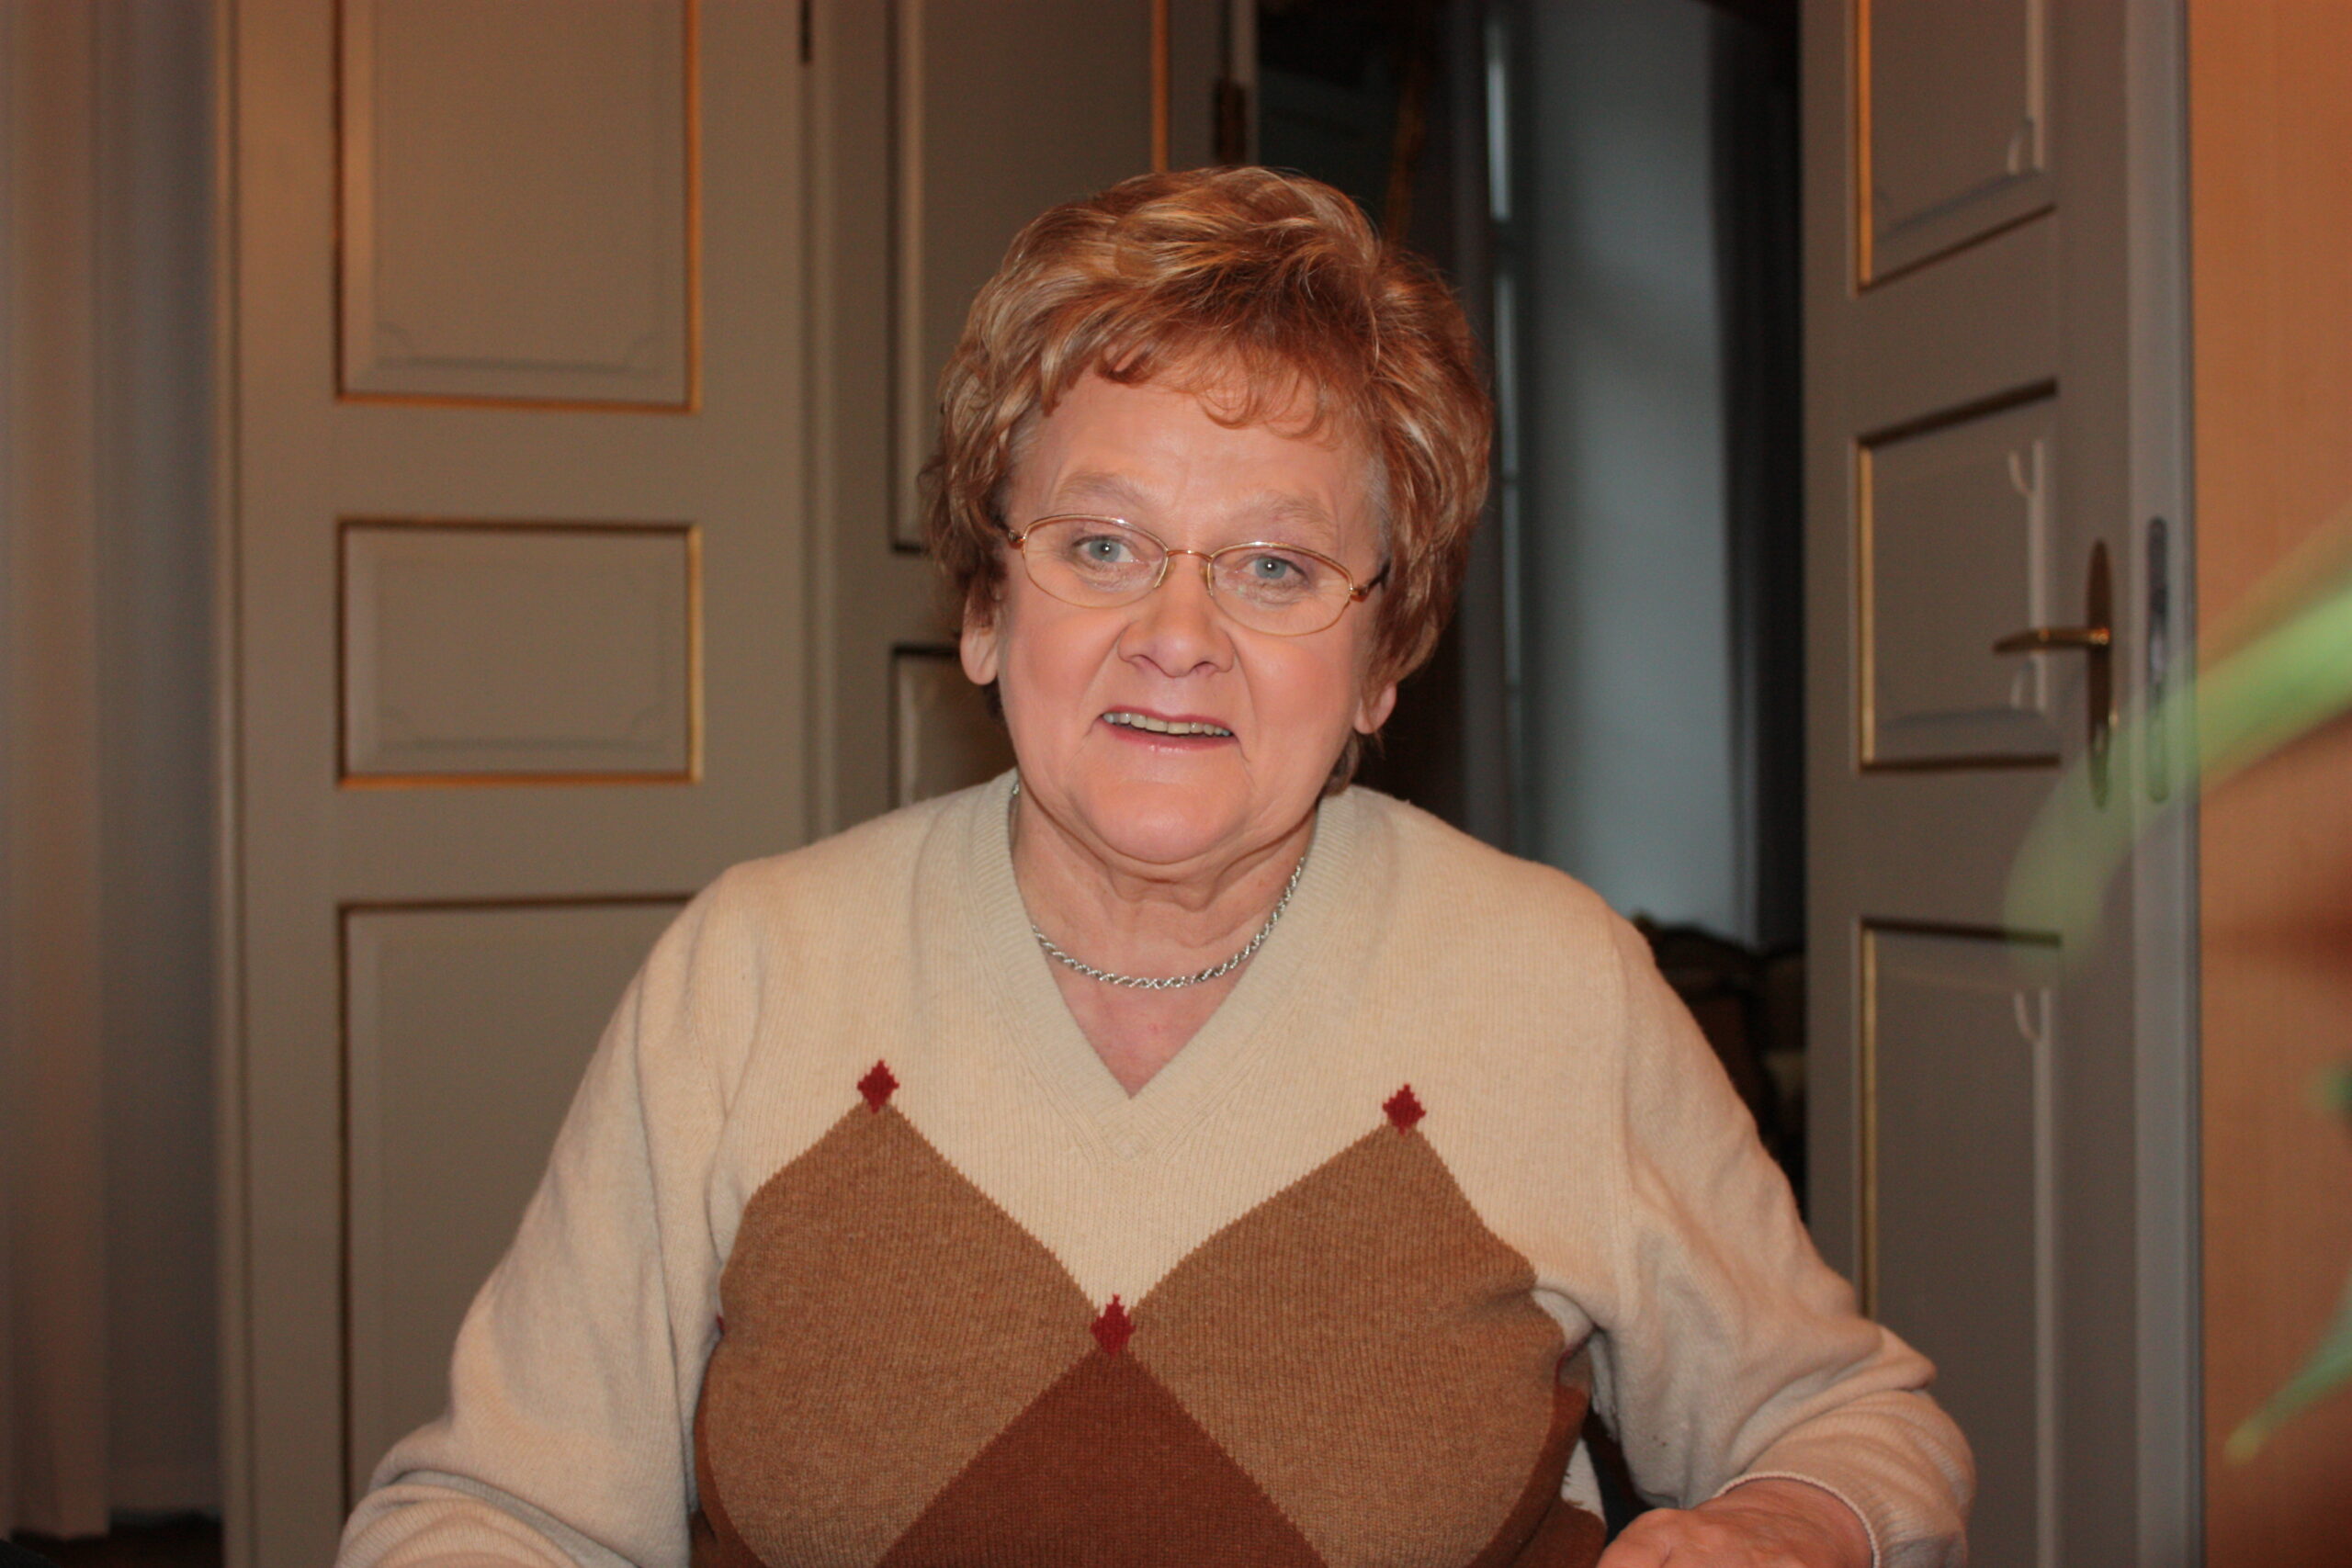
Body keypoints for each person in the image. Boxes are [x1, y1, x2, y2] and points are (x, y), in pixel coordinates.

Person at [338, 167, 1970, 1568]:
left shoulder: (1552, 981)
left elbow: (1847, 1415)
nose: (1177, 635)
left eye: (1277, 565)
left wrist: (1784, 1524)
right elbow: (496, 1508)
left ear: (1385, 659)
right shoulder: (754, 973)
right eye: (1103, 544)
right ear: (987, 607)